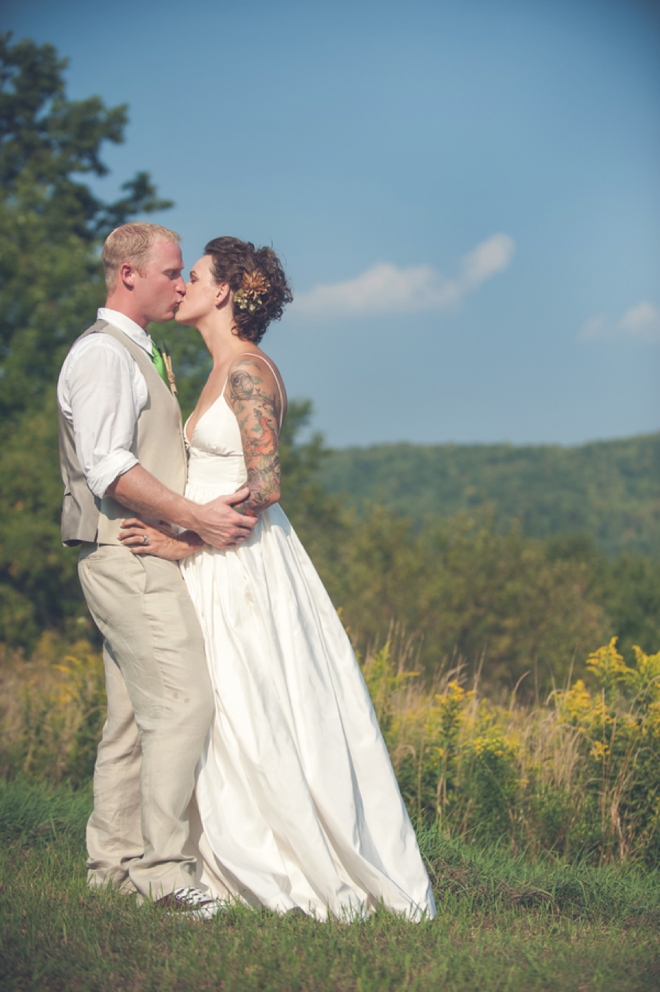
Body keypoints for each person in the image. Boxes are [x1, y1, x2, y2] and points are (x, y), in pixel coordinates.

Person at [119, 236, 437, 920]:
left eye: (194, 276)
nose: (182, 287)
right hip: (220, 555)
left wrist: (186, 543)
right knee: (220, 713)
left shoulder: (246, 373)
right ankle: (194, 858)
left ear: (224, 292)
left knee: (248, 711)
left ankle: (269, 866)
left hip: (240, 565)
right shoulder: (220, 367)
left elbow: (264, 483)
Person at [57, 222, 257, 917]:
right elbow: (108, 466)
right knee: (182, 704)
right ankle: (166, 877)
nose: (181, 283)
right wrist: (195, 519)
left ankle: (110, 870)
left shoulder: (141, 353)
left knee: (130, 717)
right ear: (128, 276)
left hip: (140, 549)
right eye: (172, 272)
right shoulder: (104, 357)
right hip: (126, 549)